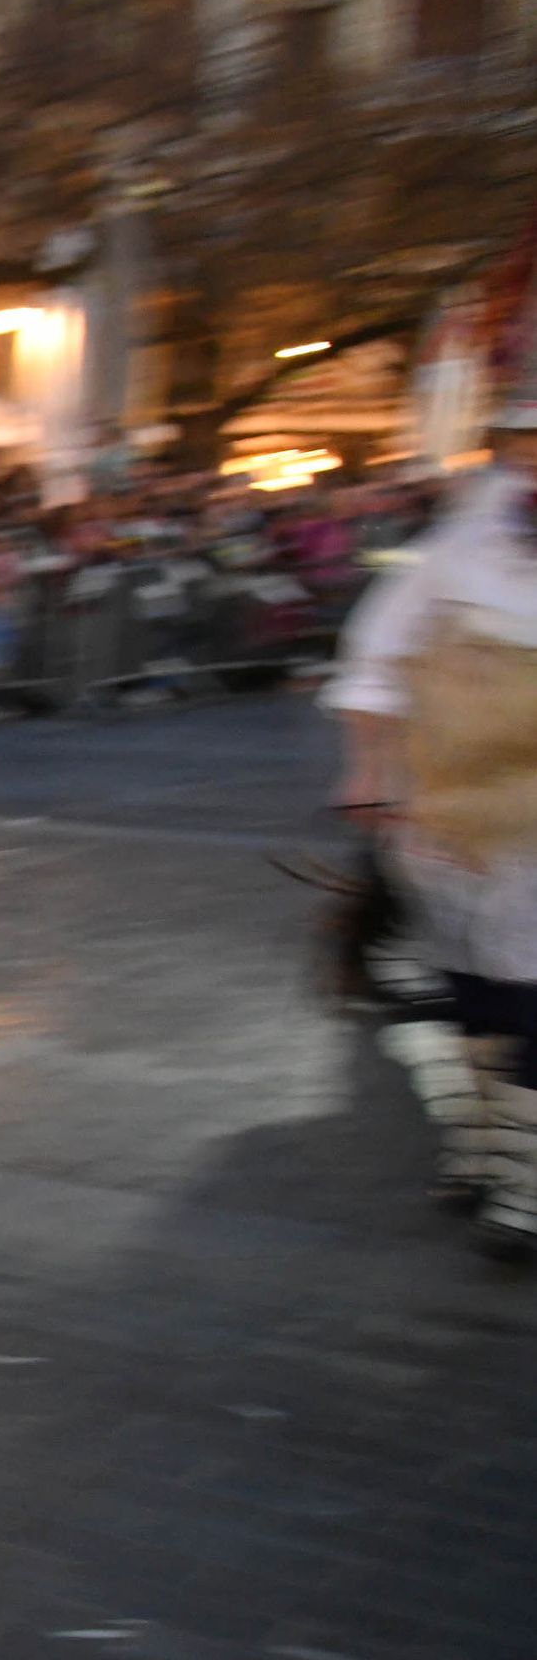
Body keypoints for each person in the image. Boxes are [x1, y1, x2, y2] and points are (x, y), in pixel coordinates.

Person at [326, 356, 537, 1257]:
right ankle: (489, 1148)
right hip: (451, 799)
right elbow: (375, 651)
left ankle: (524, 1182)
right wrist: (369, 767)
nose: (528, 461)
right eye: (521, 444)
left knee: (529, 978)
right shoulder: (465, 540)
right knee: (472, 976)